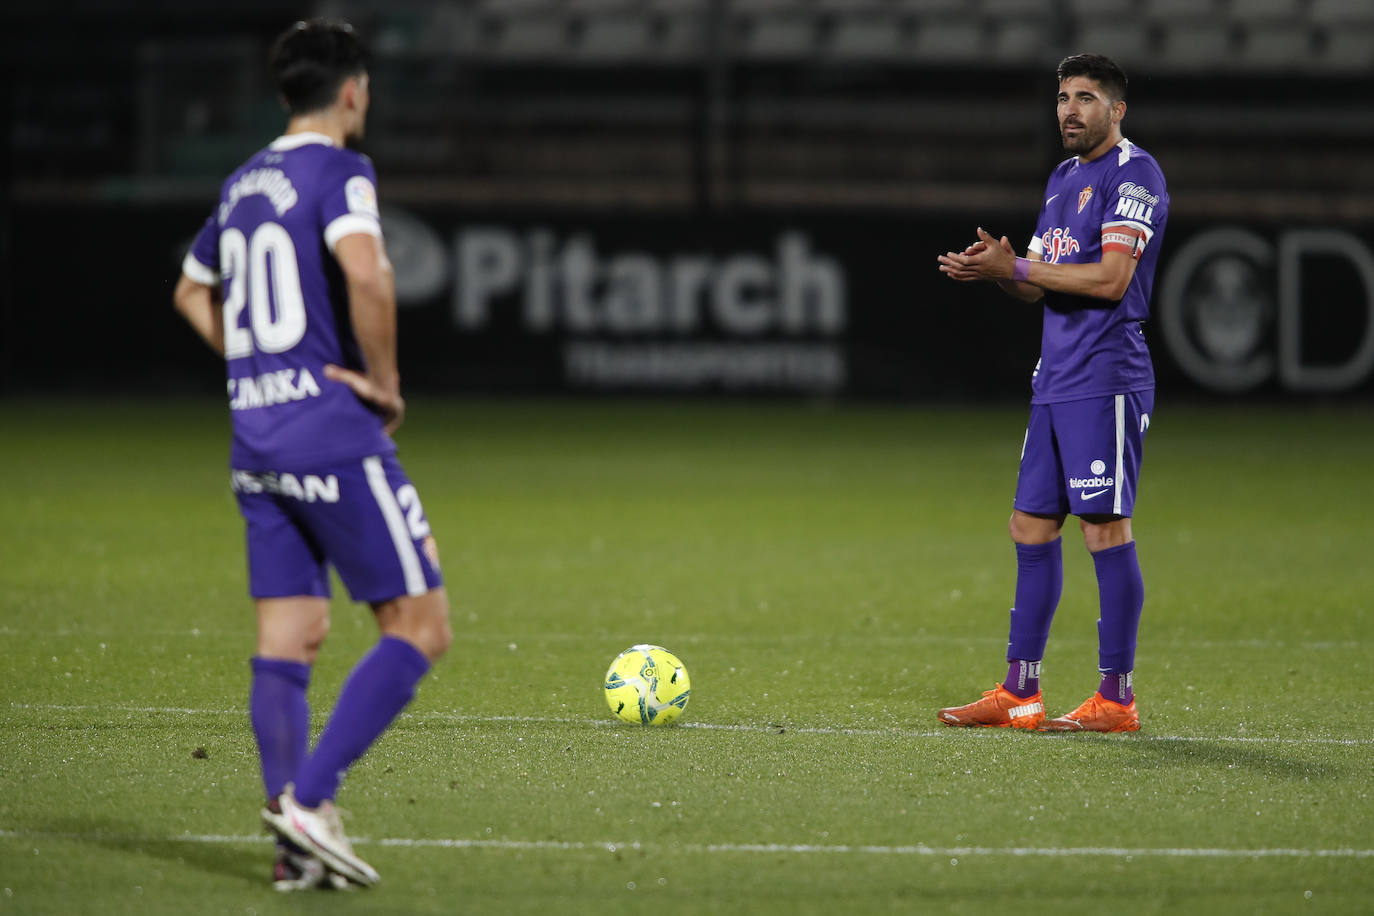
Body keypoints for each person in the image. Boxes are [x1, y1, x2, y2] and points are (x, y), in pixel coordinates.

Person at [173, 19, 451, 889]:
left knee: (290, 636)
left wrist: (258, 368)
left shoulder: (243, 179)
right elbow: (368, 273)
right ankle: (309, 798)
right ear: (354, 90)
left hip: (255, 437)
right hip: (329, 435)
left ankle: (297, 853)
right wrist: (384, 382)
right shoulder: (340, 170)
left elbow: (189, 290)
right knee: (421, 625)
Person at [934, 53, 1168, 733]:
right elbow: (1041, 281)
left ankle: (1116, 699)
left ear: (1116, 110)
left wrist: (1024, 265)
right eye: (1063, 97)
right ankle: (1020, 691)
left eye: (1086, 97)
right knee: (1030, 526)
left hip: (1107, 380)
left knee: (1104, 529)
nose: (1070, 109)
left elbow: (1111, 280)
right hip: (1057, 379)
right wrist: (1001, 273)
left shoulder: (1136, 174)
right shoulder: (1064, 177)